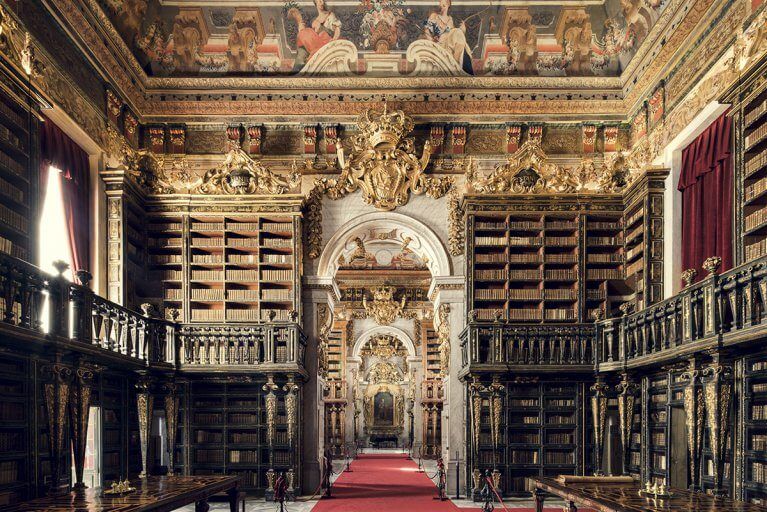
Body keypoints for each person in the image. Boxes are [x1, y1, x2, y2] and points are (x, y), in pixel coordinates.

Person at [423, 0, 474, 74]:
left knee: (459, 34)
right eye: (441, 5)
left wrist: (463, 30)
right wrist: (431, 40)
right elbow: (426, 30)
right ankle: (455, 65)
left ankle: (456, 64)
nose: (442, 8)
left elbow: (452, 35)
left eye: (444, 6)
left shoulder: (450, 19)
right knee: (457, 32)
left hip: (449, 46)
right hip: (439, 45)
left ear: (448, 5)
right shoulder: (434, 15)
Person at [292, 0, 342, 68]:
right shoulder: (314, 20)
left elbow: (337, 29)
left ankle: (310, 55)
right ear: (315, 2)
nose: (322, 3)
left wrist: (334, 39)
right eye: (319, 1)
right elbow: (312, 36)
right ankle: (298, 68)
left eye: (323, 1)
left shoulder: (329, 15)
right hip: (315, 42)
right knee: (302, 46)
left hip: (325, 40)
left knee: (304, 33)